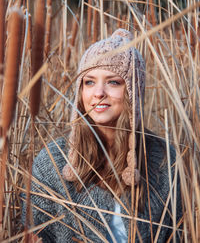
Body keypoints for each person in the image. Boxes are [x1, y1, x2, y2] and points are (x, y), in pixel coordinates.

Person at [21, 29, 183, 242]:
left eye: (113, 82)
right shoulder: (52, 162)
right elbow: (31, 236)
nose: (98, 93)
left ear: (133, 91)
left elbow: (178, 234)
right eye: (89, 82)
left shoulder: (164, 160)